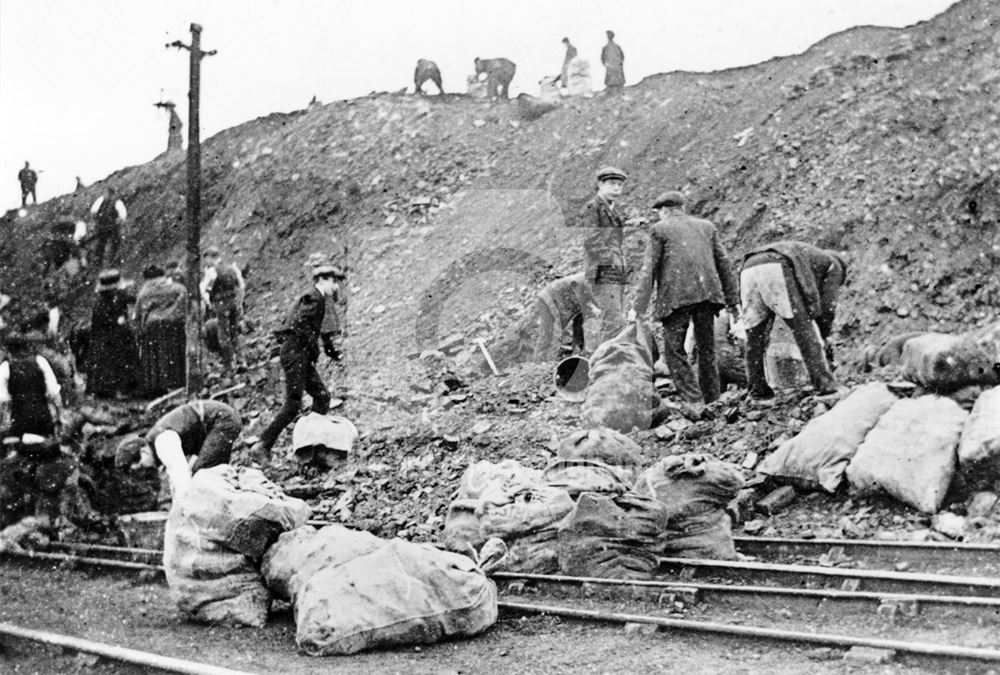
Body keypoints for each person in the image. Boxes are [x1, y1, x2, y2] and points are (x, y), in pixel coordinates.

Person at [632, 191, 740, 405]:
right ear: (682, 208)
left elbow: (649, 270)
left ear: (663, 211)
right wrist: (732, 299)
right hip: (707, 296)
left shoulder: (659, 229)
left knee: (674, 352)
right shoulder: (706, 227)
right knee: (706, 350)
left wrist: (638, 307)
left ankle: (694, 401)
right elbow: (724, 264)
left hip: (675, 299)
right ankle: (712, 400)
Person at [249, 262, 341, 461]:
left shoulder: (318, 299)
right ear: (323, 280)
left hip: (300, 354)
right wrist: (311, 345)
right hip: (296, 353)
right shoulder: (315, 298)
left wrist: (330, 351)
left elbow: (321, 329)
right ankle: (263, 445)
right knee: (293, 404)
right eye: (334, 282)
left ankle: (314, 445)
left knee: (322, 396)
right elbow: (299, 322)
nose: (336, 287)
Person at [740, 240, 847, 402]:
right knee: (804, 330)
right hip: (777, 265)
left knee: (754, 337)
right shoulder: (833, 265)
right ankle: (826, 388)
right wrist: (823, 336)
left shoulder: (809, 256)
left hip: (748, 266)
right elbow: (827, 310)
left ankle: (758, 393)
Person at [116, 399, 241, 499]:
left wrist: (182, 511)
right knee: (202, 473)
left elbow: (181, 477)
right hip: (214, 425)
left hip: (222, 421)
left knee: (202, 474)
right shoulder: (157, 441)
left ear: (143, 451)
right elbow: (176, 480)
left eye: (142, 465)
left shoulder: (163, 442)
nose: (147, 468)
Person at [577, 166, 629, 349]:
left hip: (614, 270)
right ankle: (604, 367)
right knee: (613, 320)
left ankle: (606, 363)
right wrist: (610, 260)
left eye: (619, 185)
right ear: (600, 184)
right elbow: (592, 240)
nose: (616, 188)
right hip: (603, 270)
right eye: (612, 184)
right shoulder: (594, 207)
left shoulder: (611, 210)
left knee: (615, 319)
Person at [135, 264, 187, 396]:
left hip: (153, 326)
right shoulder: (177, 288)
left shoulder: (144, 292)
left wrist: (139, 330)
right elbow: (185, 301)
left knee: (156, 356)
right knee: (174, 353)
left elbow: (138, 313)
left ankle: (157, 385)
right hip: (174, 324)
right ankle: (178, 381)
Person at [0, 333, 63, 438]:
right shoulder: (40, 361)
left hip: (18, 420)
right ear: (27, 346)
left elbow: (3, 401)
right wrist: (59, 416)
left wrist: (2, 423)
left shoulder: (5, 368)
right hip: (42, 418)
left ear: (7, 350)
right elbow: (54, 393)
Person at [86, 269, 137, 397]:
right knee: (115, 362)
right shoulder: (104, 302)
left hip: (109, 337)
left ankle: (114, 388)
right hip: (110, 337)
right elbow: (105, 320)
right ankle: (115, 388)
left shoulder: (113, 298)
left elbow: (132, 299)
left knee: (111, 362)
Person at [200, 246, 245, 369]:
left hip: (221, 305)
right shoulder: (232, 268)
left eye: (206, 258)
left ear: (210, 257)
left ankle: (229, 364)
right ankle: (241, 360)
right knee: (234, 331)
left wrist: (210, 303)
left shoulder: (211, 272)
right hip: (234, 303)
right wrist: (240, 302)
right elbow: (241, 286)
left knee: (223, 335)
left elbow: (204, 290)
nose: (206, 262)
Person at [533, 271, 591, 361]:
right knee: (549, 333)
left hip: (565, 301)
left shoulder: (592, 283)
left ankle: (577, 353)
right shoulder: (591, 282)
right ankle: (539, 363)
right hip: (549, 299)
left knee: (579, 323)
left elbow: (580, 321)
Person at [89, 188, 127, 268]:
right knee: (100, 246)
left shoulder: (117, 202)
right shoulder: (100, 201)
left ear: (111, 194)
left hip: (113, 228)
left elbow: (122, 214)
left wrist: (119, 220)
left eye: (106, 193)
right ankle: (98, 264)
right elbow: (93, 211)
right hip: (103, 227)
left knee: (115, 245)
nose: (104, 195)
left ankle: (113, 263)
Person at [601, 30, 625, 95]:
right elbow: (602, 58)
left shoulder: (615, 47)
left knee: (617, 82)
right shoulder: (606, 48)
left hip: (615, 68)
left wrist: (619, 63)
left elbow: (622, 57)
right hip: (612, 68)